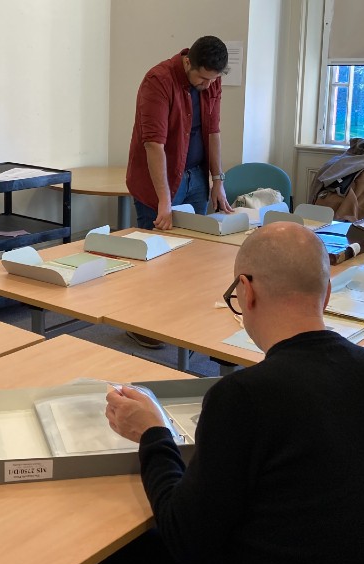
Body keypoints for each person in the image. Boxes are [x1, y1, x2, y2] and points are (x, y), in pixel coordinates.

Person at [95, 222, 364, 564]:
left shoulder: (243, 397)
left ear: (246, 290)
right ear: (326, 295)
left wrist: (153, 433)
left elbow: (183, 539)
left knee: (116, 543)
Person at [124, 36, 234, 349]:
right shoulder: (157, 81)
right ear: (188, 62)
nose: (206, 85)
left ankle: (178, 322)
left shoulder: (211, 82)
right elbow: (154, 145)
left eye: (212, 80)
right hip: (157, 182)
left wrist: (218, 180)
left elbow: (213, 132)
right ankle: (140, 324)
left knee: (191, 256)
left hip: (195, 176)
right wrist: (164, 202)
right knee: (154, 257)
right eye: (201, 78)